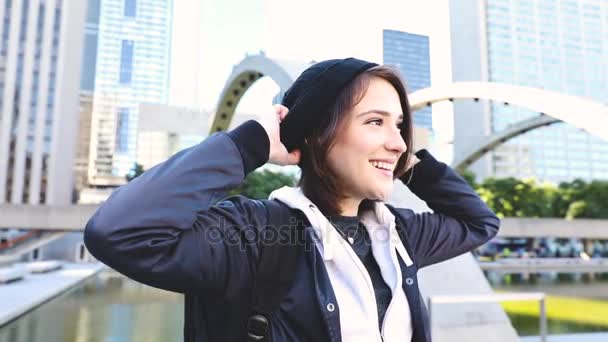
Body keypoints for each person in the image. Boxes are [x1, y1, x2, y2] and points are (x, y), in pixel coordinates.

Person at [84, 57, 500, 342]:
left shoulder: (400, 234)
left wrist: (410, 164)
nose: (397, 141)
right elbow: (119, 233)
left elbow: (478, 223)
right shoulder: (251, 236)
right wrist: (248, 145)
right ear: (317, 134)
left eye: (401, 126)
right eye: (375, 122)